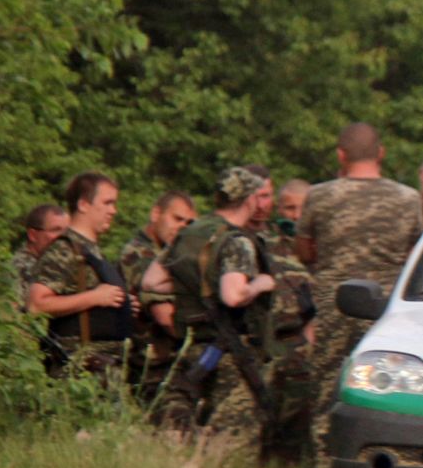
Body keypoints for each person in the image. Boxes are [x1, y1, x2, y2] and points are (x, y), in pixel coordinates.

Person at [297, 123, 423, 457]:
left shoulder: (319, 196)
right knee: (392, 389)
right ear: (380, 153)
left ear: (341, 155)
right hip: (386, 313)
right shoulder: (408, 198)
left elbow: (306, 252)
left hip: (333, 307)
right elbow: (418, 256)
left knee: (328, 392)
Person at [145, 168, 279, 450]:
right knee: (229, 434)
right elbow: (233, 296)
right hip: (231, 352)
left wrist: (197, 286)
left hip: (192, 343)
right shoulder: (238, 241)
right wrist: (260, 284)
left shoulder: (189, 233)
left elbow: (152, 281)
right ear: (250, 200)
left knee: (181, 422)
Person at [28, 172, 134, 377]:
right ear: (84, 204)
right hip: (78, 373)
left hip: (103, 370)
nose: (114, 211)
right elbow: (36, 305)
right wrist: (94, 297)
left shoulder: (89, 251)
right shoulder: (64, 250)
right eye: (107, 203)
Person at [244, 166, 317, 461]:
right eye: (290, 208)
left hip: (297, 345)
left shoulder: (300, 245)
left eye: (267, 196)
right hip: (258, 343)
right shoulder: (243, 241)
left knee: (295, 427)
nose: (296, 215)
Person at [115, 191, 196, 409]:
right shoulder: (138, 255)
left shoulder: (171, 255)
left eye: (188, 222)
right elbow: (165, 316)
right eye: (177, 219)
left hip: (172, 365)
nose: (182, 227)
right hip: (149, 368)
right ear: (156, 214)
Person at [8, 203, 67, 308]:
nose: (63, 237)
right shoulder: (23, 268)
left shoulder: (46, 263)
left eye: (66, 231)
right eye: (56, 230)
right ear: (33, 235)